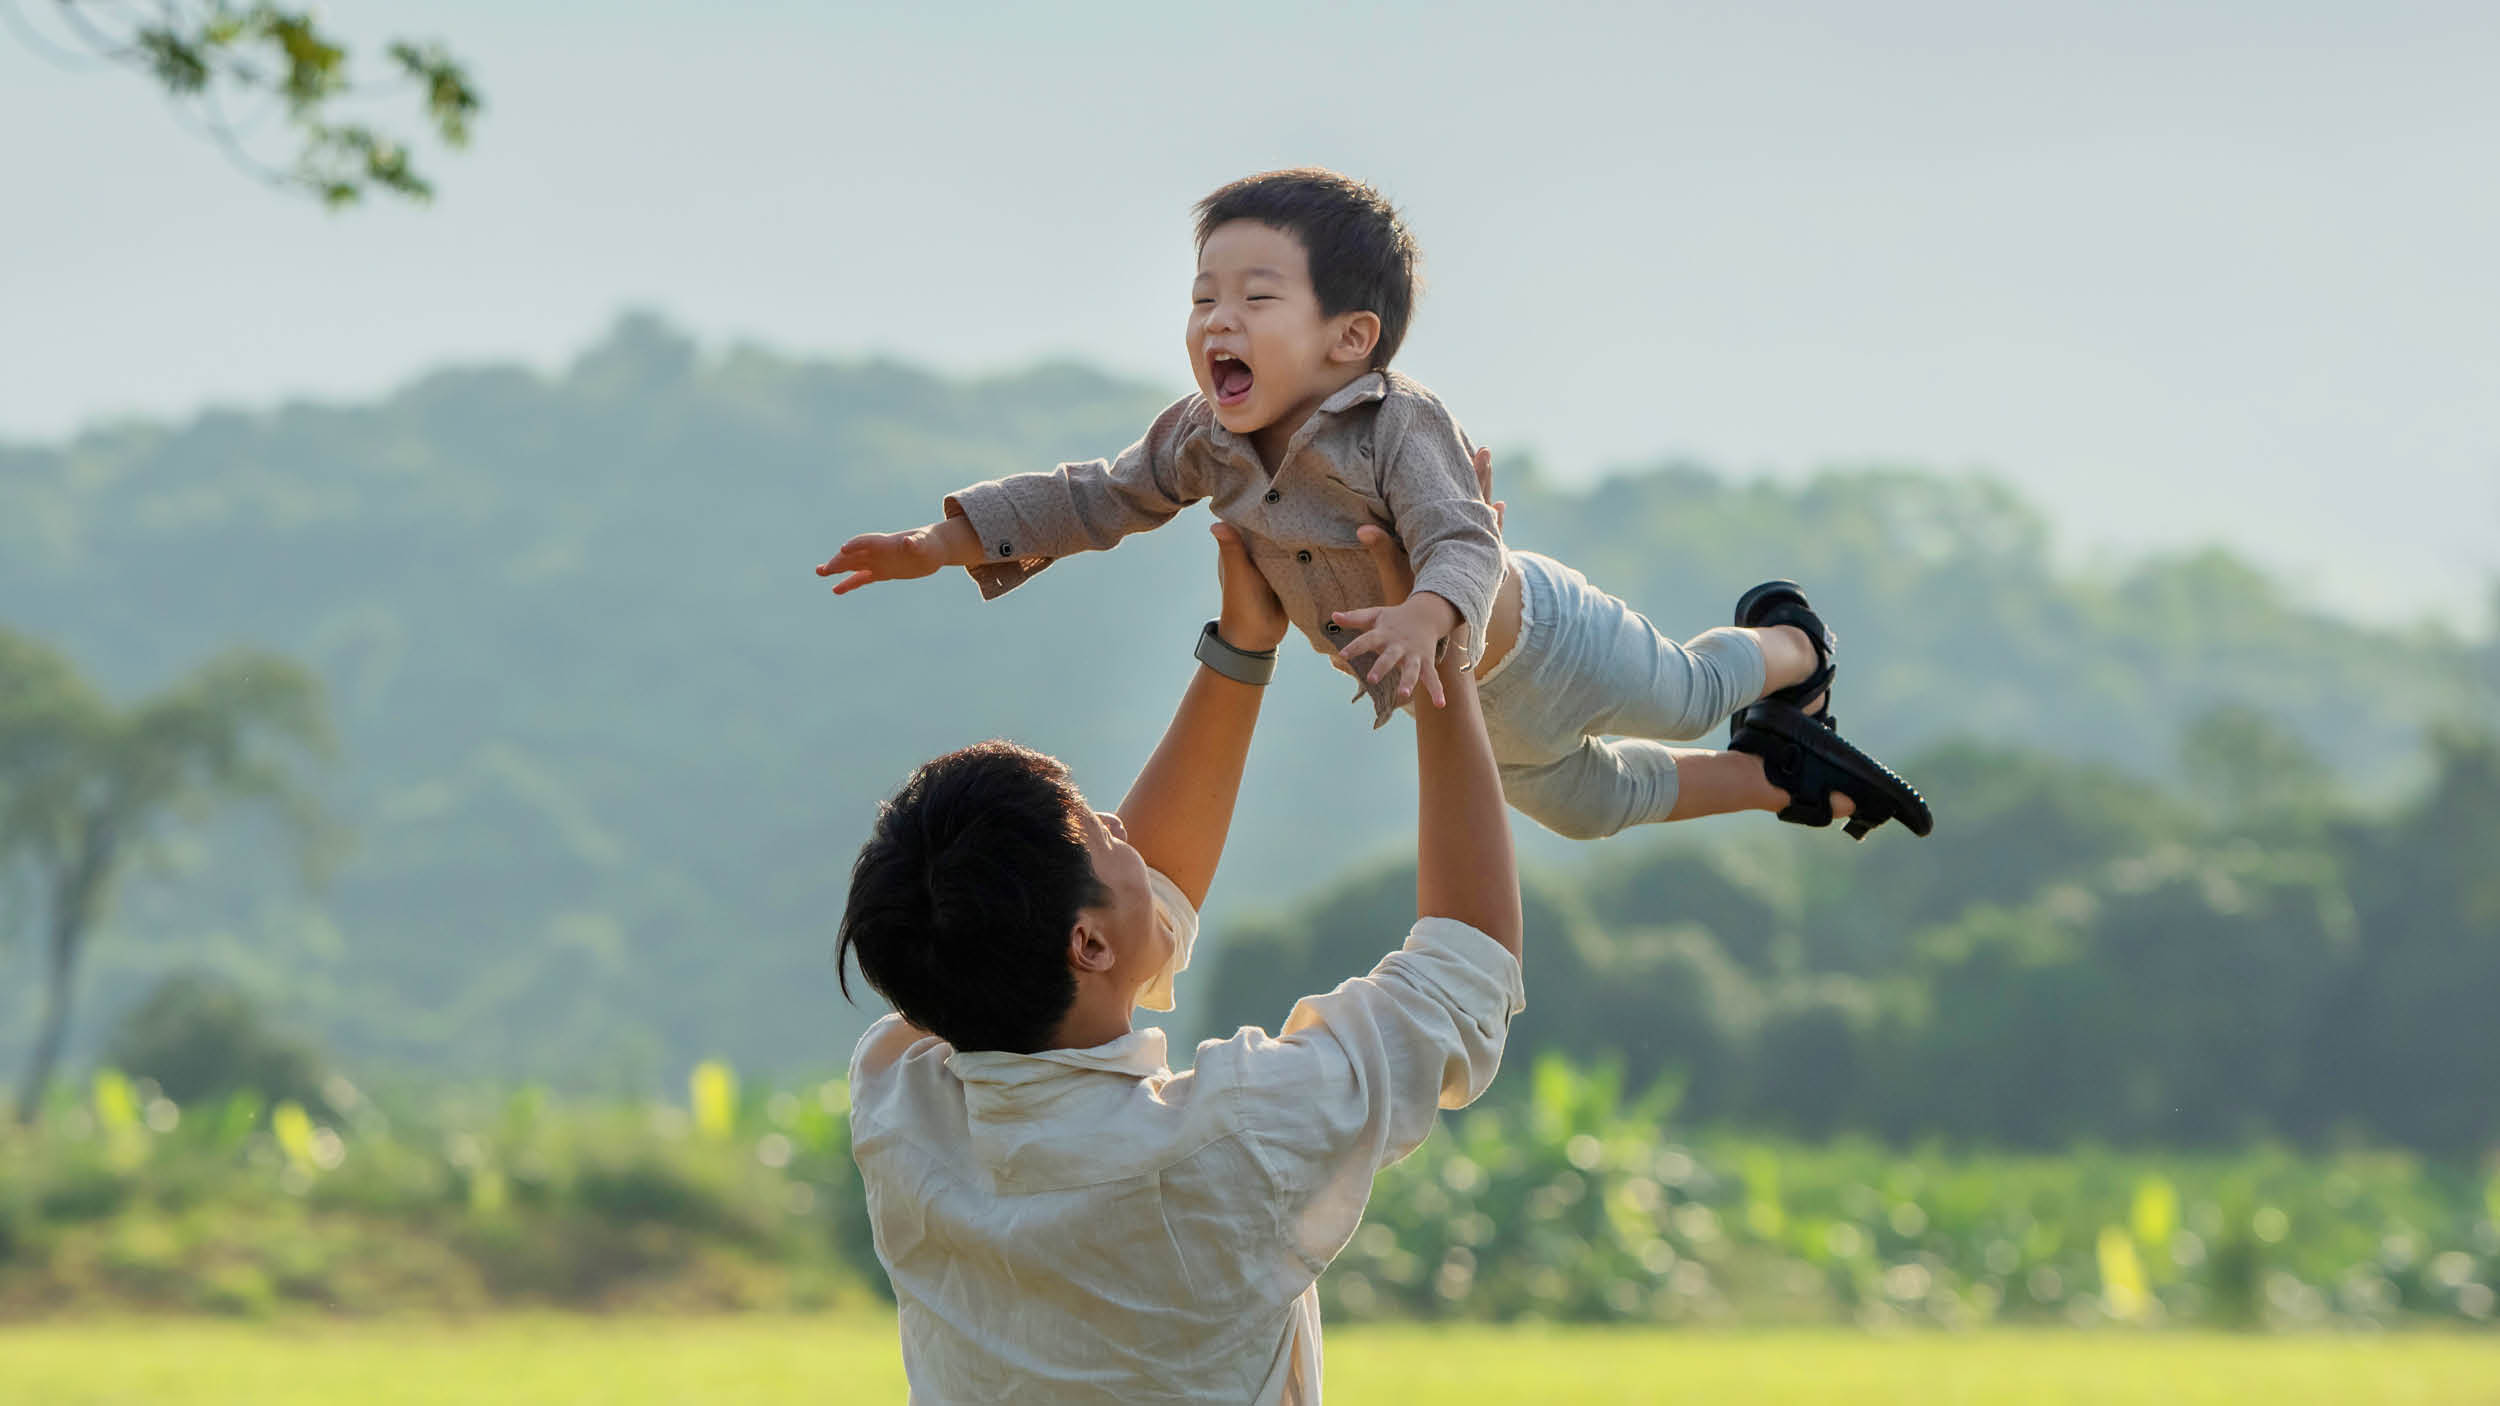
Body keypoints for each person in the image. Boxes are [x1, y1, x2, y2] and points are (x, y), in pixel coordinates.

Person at [818, 167, 1931, 841]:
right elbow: (1099, 496)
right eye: (1202, 296)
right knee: (1586, 808)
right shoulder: (1204, 438)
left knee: (1687, 694)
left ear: (1349, 338)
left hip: (1539, 639)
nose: (1217, 320)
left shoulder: (1397, 422)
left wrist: (1420, 617)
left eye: (1256, 296)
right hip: (1458, 707)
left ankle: (1791, 646)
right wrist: (943, 538)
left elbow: (1457, 535)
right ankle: (1781, 775)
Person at [839, 515, 1523, 1402]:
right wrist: (1443, 640)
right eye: (1103, 833)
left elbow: (1127, 918)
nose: (1126, 831)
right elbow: (1464, 978)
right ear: (1084, 942)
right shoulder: (1230, 1141)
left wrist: (1244, 643)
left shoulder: (901, 1105)